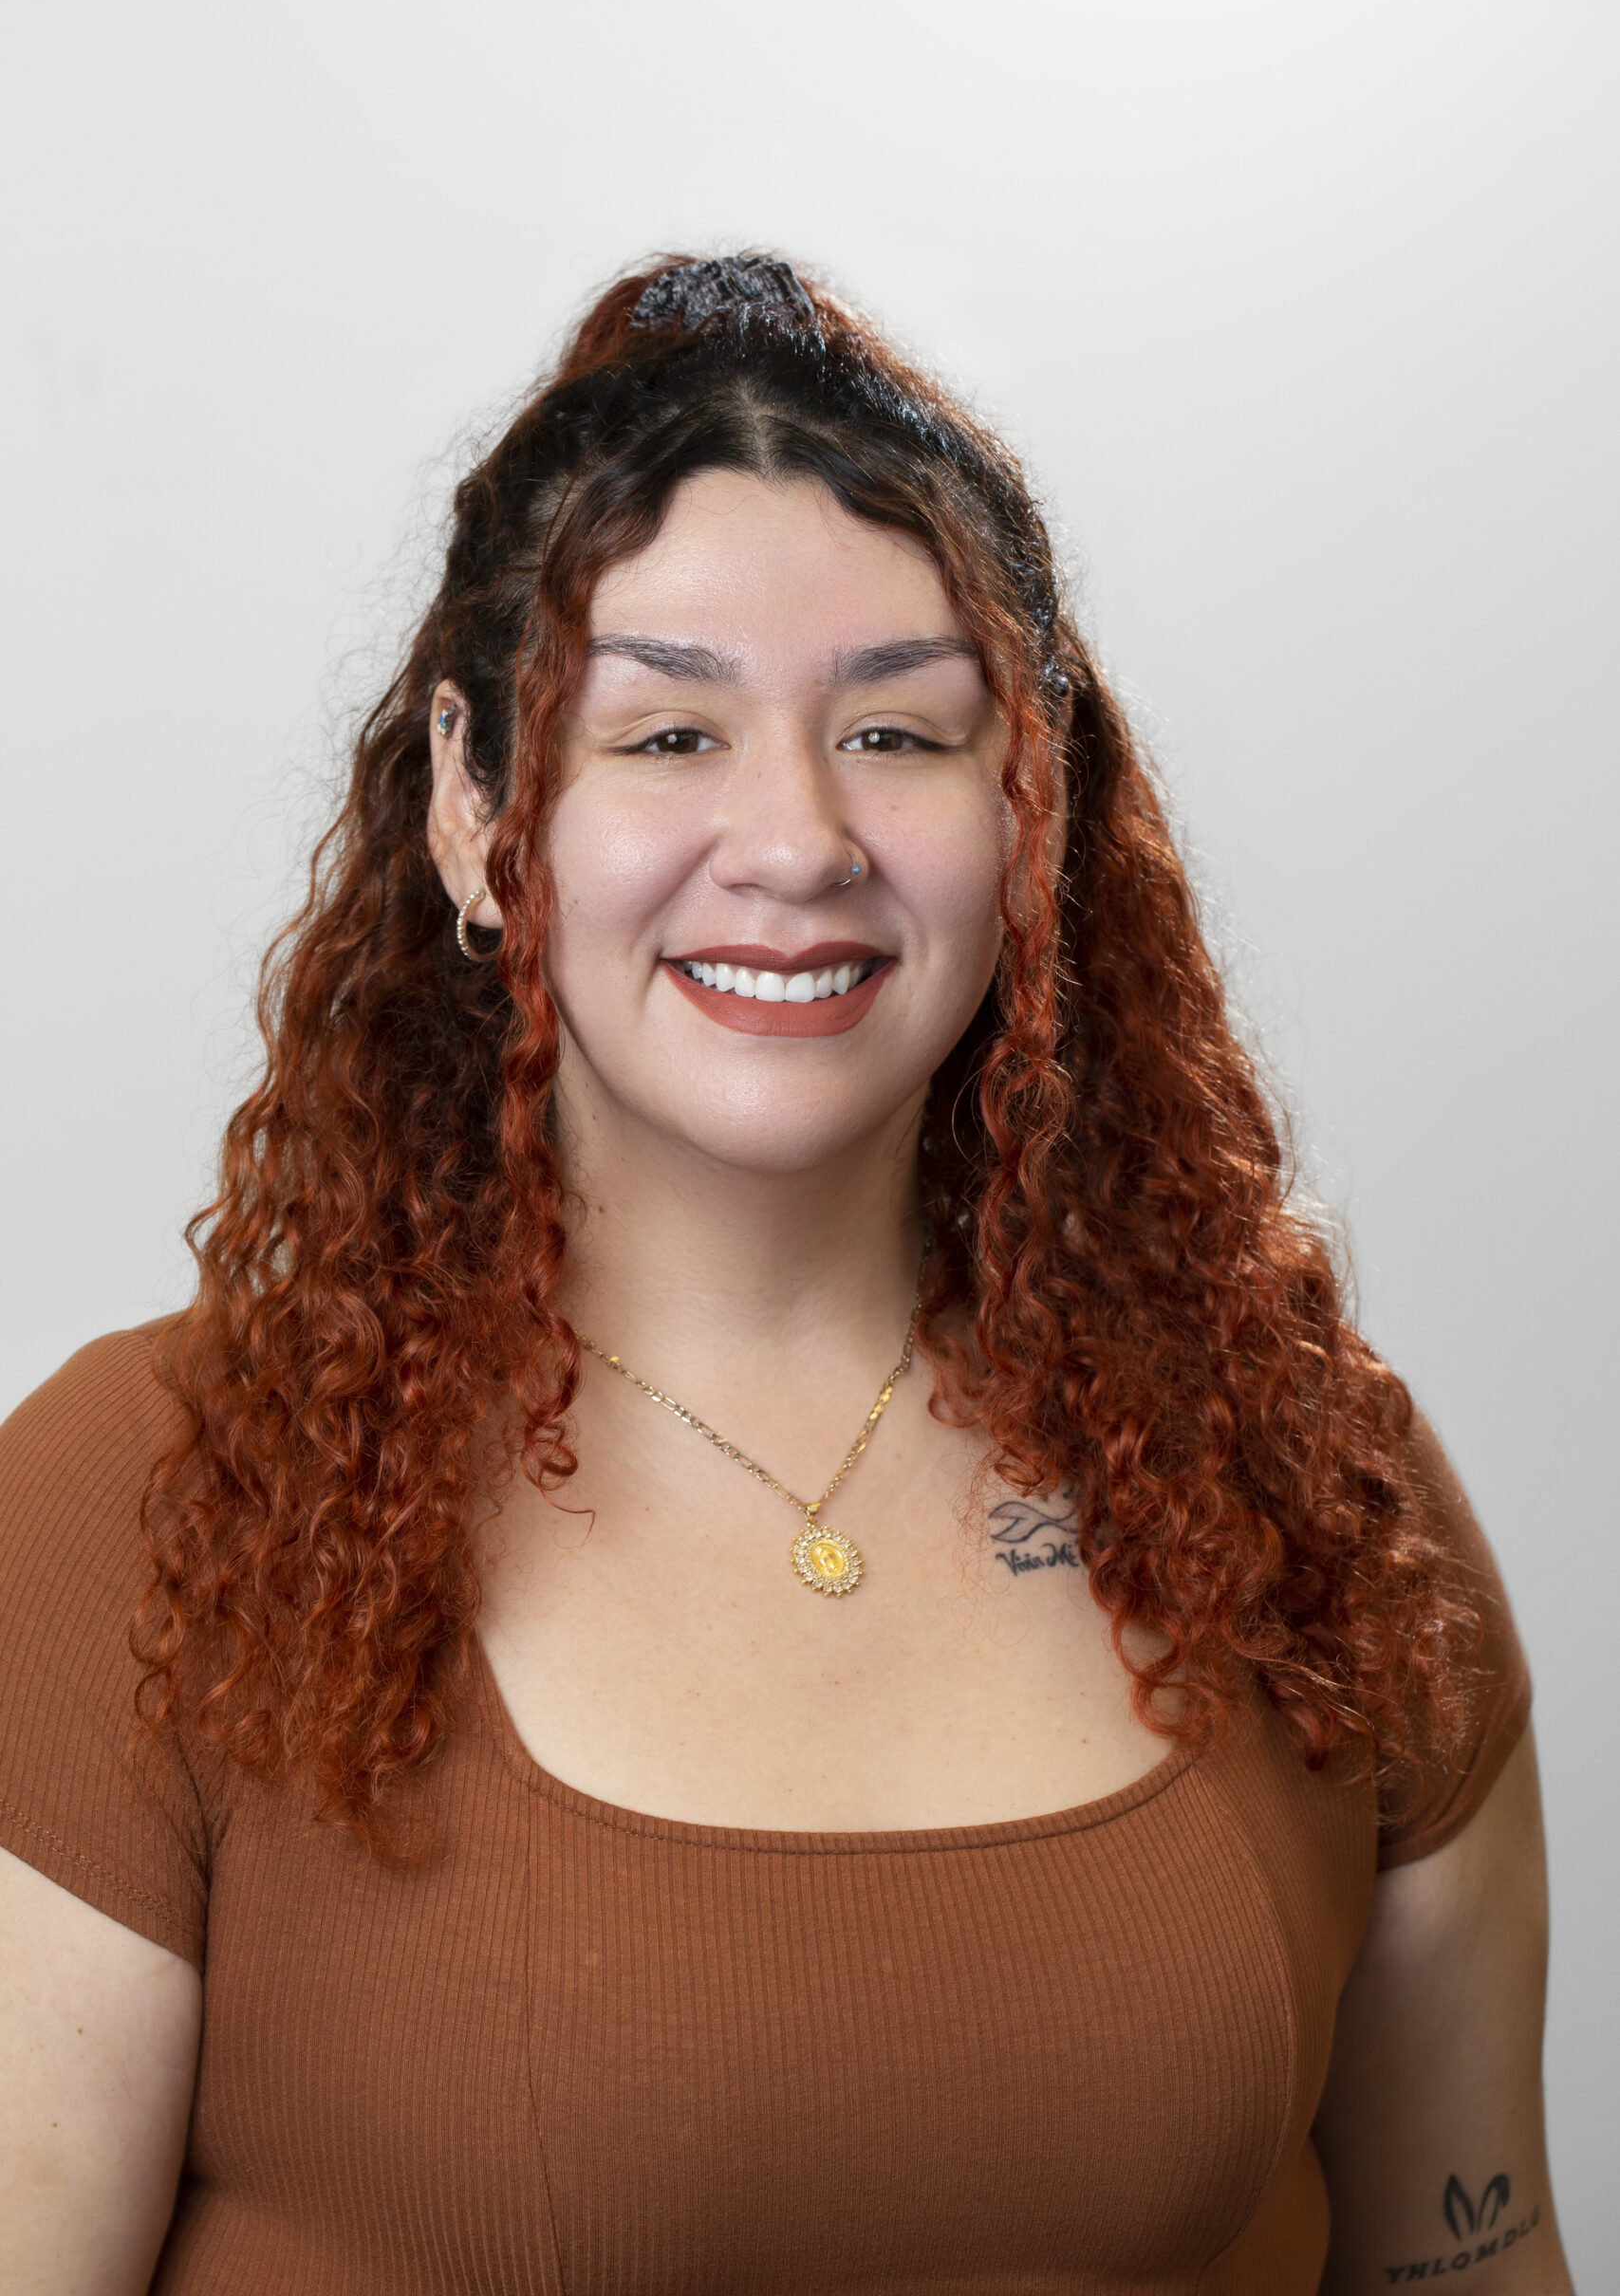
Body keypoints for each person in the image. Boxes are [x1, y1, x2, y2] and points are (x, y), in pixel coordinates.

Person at [0, 254, 1573, 2295]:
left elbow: (1476, 2253)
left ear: (1030, 805)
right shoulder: (145, 1507)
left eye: (899, 732)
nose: (797, 835)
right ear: (478, 812)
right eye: (664, 729)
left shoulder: (1304, 1492)